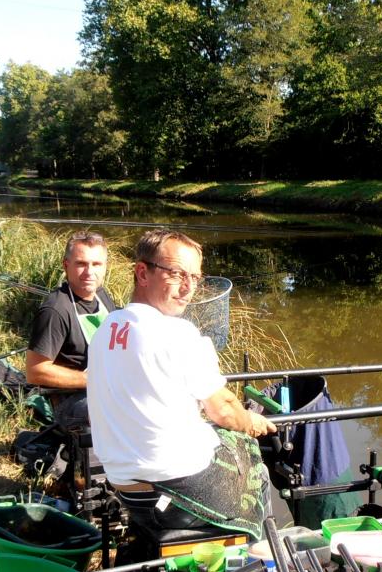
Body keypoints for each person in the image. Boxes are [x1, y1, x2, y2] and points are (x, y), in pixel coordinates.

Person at [86, 229, 276, 540]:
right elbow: (225, 411)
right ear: (142, 273)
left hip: (125, 485)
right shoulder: (176, 333)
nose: (188, 287)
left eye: (195, 277)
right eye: (176, 273)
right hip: (175, 488)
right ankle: (262, 551)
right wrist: (250, 422)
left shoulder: (106, 328)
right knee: (251, 457)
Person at [26, 231, 117, 431]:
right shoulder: (56, 309)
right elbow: (34, 372)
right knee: (118, 413)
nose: (89, 272)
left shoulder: (101, 295)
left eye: (96, 264)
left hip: (108, 386)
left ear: (105, 267)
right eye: (81, 264)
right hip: (69, 399)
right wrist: (94, 380)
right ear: (66, 265)